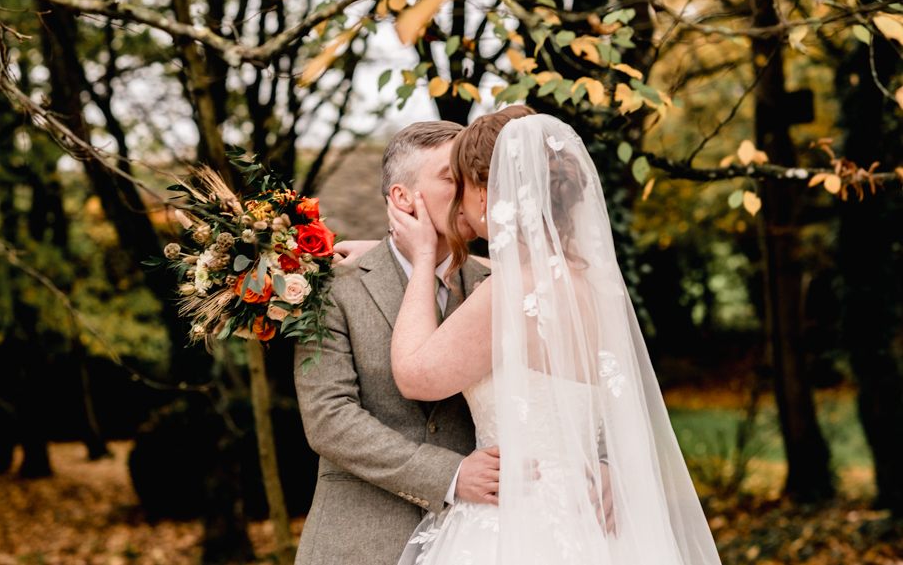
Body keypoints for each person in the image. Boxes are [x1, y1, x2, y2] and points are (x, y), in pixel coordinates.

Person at [382, 109, 722, 565]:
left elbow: (415, 376)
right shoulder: (595, 289)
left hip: (515, 519)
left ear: (484, 194)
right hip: (588, 517)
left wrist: (423, 257)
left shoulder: (509, 292)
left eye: (460, 186)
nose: (456, 205)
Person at [293, 121, 501, 565]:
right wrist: (450, 474)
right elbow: (328, 418)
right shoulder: (331, 287)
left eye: (473, 175)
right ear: (402, 199)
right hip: (359, 540)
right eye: (451, 177)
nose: (470, 190)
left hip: (480, 540)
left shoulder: (498, 286)